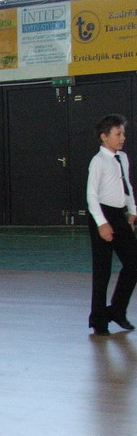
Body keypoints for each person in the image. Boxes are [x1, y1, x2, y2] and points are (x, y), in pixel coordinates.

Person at [86, 113, 136, 336]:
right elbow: (91, 195)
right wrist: (102, 224)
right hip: (102, 215)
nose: (122, 138)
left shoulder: (122, 158)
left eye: (123, 133)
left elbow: (127, 186)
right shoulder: (98, 161)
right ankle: (98, 319)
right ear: (104, 137)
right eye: (118, 134)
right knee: (102, 270)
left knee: (133, 263)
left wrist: (133, 211)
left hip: (118, 214)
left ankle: (116, 310)